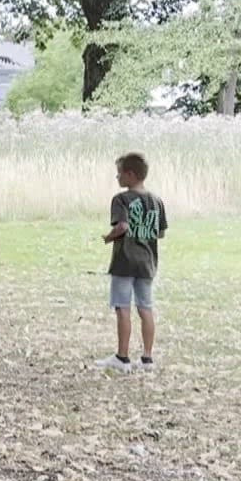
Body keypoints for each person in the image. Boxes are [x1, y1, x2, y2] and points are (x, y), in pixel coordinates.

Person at [98, 152, 167, 372]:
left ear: (130, 174)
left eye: (119, 173)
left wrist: (109, 238)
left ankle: (122, 356)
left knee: (123, 307)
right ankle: (147, 358)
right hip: (147, 262)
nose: (117, 177)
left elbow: (123, 226)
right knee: (145, 308)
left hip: (125, 261)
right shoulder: (156, 201)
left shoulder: (121, 199)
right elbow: (160, 233)